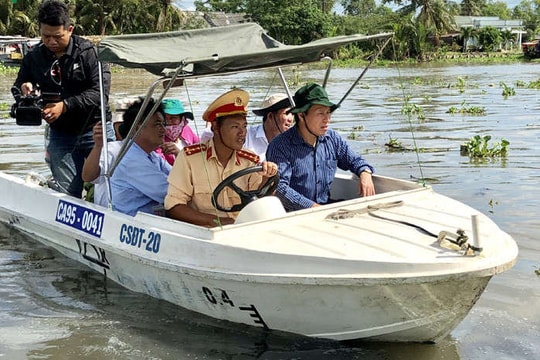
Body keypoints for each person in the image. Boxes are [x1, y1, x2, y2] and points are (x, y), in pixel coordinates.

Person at [12, 0, 113, 198]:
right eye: (45, 36)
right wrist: (25, 90)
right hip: (60, 133)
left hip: (95, 130)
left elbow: (100, 93)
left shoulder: (90, 53)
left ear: (70, 29)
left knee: (107, 187)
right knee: (68, 193)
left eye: (57, 36)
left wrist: (64, 106)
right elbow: (18, 85)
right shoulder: (34, 57)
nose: (50, 42)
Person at [164, 89, 278, 227]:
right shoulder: (189, 158)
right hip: (205, 235)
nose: (242, 133)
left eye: (244, 126)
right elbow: (174, 207)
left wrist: (267, 177)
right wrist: (219, 222)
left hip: (243, 230)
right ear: (215, 127)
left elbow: (259, 204)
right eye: (235, 126)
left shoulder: (250, 160)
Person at [266, 83, 375, 211]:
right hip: (293, 215)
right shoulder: (280, 146)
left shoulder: (332, 138)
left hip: (325, 207)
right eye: (320, 113)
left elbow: (355, 160)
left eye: (328, 112)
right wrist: (313, 207)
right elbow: (279, 188)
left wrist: (365, 173)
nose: (327, 119)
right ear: (301, 115)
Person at [110, 98, 171, 216]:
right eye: (157, 124)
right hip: (132, 225)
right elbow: (169, 192)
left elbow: (175, 176)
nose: (163, 130)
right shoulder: (130, 159)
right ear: (137, 128)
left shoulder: (152, 155)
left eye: (163, 124)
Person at [247, 93, 294, 161]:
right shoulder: (247, 135)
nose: (291, 119)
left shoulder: (295, 141)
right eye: (286, 113)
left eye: (293, 114)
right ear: (270, 116)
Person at [155, 98, 200, 165]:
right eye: (164, 118)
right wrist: (179, 155)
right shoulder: (157, 138)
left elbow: (200, 149)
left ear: (182, 119)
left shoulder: (186, 130)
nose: (168, 122)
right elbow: (161, 167)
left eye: (173, 118)